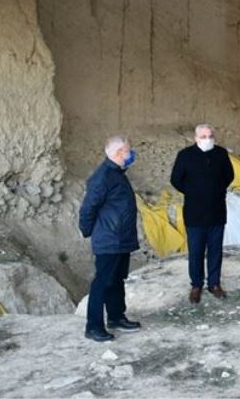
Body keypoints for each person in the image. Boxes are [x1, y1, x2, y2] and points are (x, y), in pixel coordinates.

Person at [79, 135, 142, 342]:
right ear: (119, 153)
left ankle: (116, 317)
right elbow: (88, 208)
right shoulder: (103, 177)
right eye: (128, 150)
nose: (131, 154)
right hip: (109, 238)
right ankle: (93, 326)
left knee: (116, 279)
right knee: (102, 282)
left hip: (120, 238)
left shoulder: (117, 173)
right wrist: (89, 231)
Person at [170, 124, 234, 303]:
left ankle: (214, 284)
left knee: (215, 250)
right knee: (196, 251)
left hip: (216, 210)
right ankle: (196, 285)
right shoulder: (185, 155)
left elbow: (229, 175)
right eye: (204, 136)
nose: (208, 140)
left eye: (210, 136)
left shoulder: (220, 153)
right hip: (194, 212)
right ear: (196, 138)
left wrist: (216, 190)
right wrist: (193, 191)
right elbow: (176, 179)